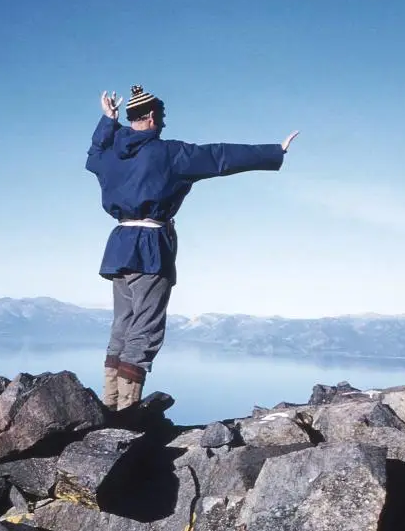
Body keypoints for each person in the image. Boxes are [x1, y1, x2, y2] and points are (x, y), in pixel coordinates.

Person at [85, 85, 299, 410]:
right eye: (164, 117)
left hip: (118, 248)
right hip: (150, 248)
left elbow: (93, 157)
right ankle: (126, 413)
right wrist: (273, 151)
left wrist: (107, 122)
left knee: (122, 326)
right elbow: (218, 156)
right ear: (155, 116)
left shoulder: (112, 155)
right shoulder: (168, 153)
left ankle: (109, 405)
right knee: (144, 328)